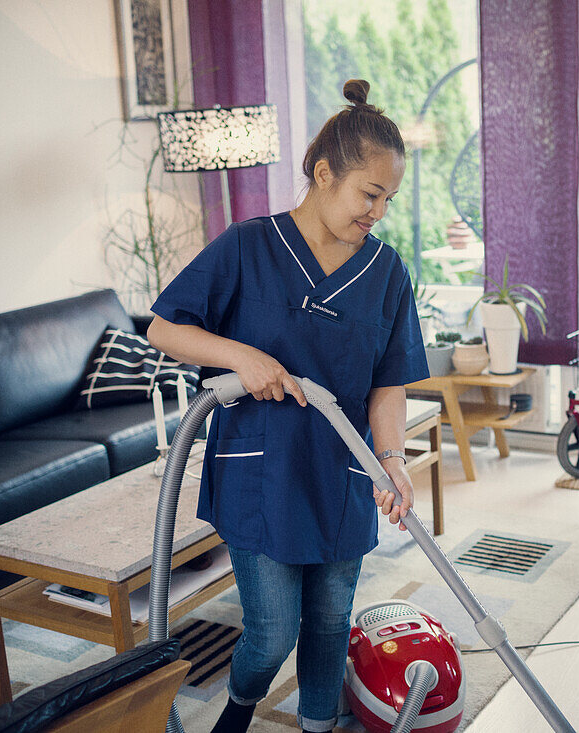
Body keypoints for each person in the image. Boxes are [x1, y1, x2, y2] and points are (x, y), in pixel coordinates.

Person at [147, 79, 429, 733]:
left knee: (330, 622)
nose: (379, 211)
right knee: (271, 636)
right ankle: (238, 709)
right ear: (324, 173)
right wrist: (238, 357)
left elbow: (390, 380)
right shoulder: (247, 247)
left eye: (388, 197)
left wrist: (393, 458)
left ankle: (318, 725)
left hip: (343, 470)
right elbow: (164, 328)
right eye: (370, 193)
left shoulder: (387, 272)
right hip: (261, 473)